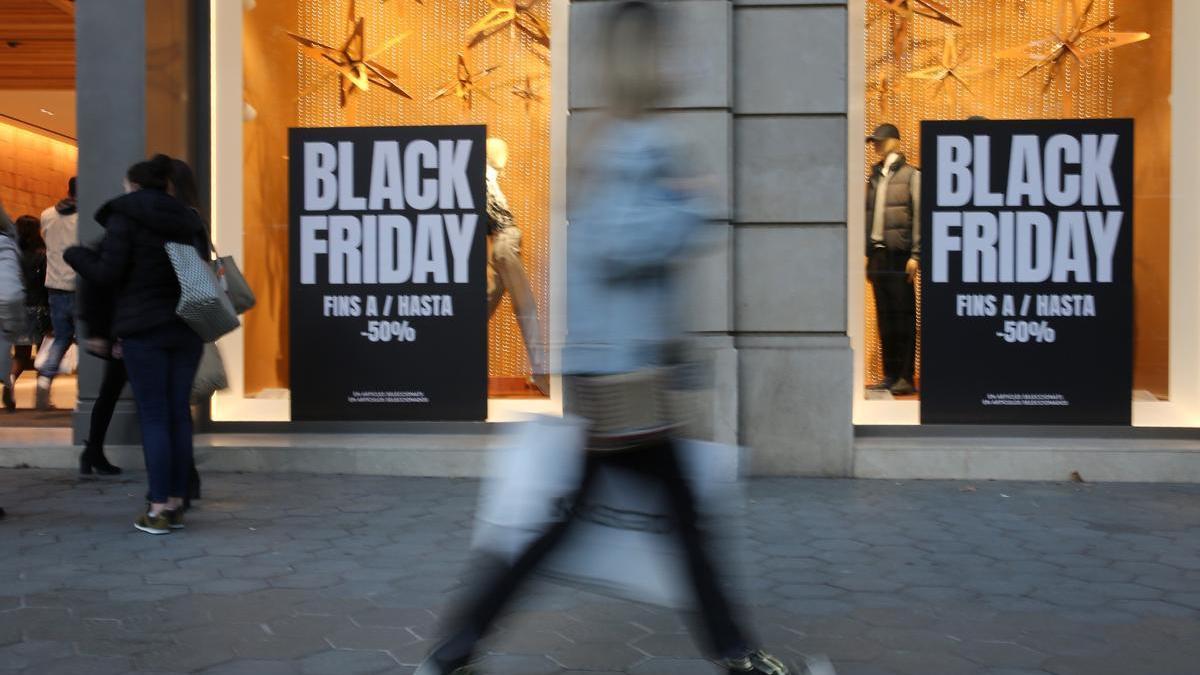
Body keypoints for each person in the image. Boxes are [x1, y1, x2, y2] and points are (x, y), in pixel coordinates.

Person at [416, 4, 831, 675]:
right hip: (623, 376)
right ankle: (736, 652)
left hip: (613, 369)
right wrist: (692, 208)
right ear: (646, 60)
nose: (679, 64)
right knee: (678, 522)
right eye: (667, 50)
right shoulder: (639, 144)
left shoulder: (611, 139)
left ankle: (456, 644)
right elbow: (617, 243)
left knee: (579, 523)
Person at [65, 154, 207, 535]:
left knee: (155, 417)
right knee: (178, 414)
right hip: (187, 329)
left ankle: (157, 506)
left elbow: (108, 274)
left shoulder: (124, 217)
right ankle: (176, 502)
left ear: (134, 185)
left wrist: (75, 254)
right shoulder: (188, 218)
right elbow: (201, 270)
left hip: (145, 330)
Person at [37, 177, 80, 410]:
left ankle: (44, 380)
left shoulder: (46, 215)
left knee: (61, 338)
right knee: (87, 339)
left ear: (68, 190)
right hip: (80, 286)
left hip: (54, 285)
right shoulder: (85, 218)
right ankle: (86, 395)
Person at [9, 216, 50, 403]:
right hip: (38, 308)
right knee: (44, 352)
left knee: (21, 355)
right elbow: (45, 284)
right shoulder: (42, 254)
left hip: (17, 308)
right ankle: (42, 396)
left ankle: (10, 380)